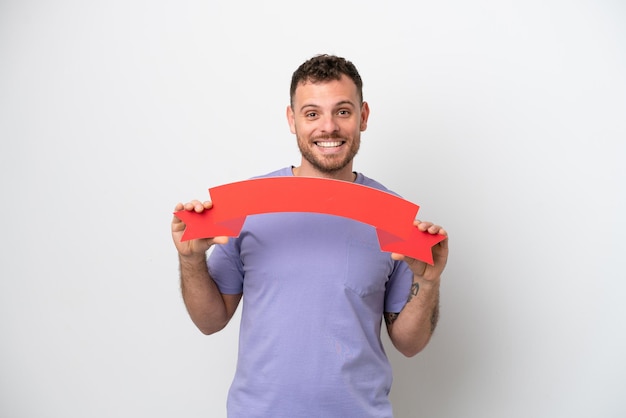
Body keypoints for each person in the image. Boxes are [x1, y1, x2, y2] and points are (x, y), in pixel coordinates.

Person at [171, 54, 448, 418]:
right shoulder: (247, 205)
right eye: (312, 113)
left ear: (363, 116)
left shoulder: (392, 216)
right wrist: (191, 260)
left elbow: (409, 345)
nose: (328, 127)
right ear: (292, 120)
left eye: (343, 111)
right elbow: (210, 322)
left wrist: (427, 284)